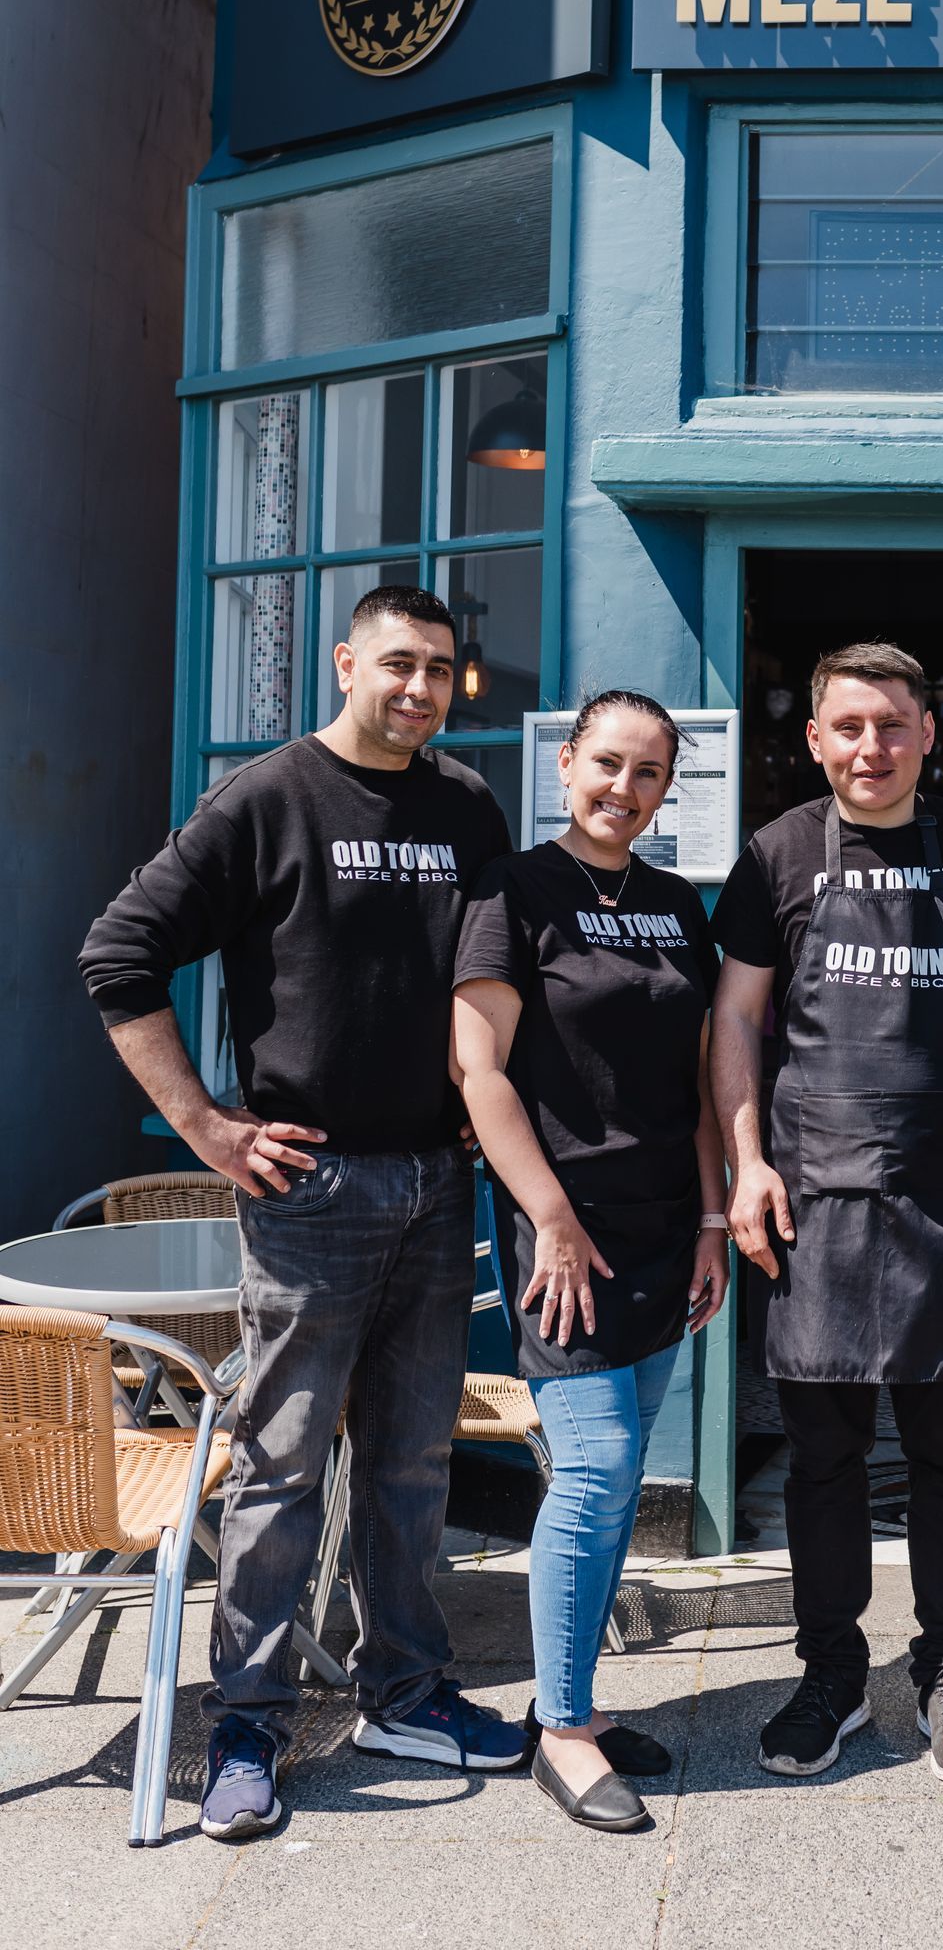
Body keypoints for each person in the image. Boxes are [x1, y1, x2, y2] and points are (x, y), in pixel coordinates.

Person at [76, 586, 531, 1842]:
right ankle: (247, 1722)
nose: (419, 688)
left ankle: (406, 1693)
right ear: (344, 662)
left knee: (411, 1462)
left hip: (442, 1182)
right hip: (312, 1188)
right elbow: (118, 955)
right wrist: (209, 1129)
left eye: (440, 670)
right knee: (279, 1465)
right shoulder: (268, 798)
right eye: (396, 664)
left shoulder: (467, 805)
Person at [710, 641, 943, 1786]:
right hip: (814, 1200)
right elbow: (737, 1019)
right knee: (824, 1459)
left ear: (926, 733)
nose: (872, 747)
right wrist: (746, 1164)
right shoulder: (777, 855)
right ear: (814, 740)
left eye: (893, 726)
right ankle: (830, 1673)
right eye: (849, 727)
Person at [451, 690, 731, 1834]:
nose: (625, 788)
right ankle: (562, 1732)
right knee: (598, 1472)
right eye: (606, 765)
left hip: (669, 1228)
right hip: (564, 1235)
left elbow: (707, 1073)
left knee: (613, 1484)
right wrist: (551, 1218)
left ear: (670, 788)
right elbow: (482, 1072)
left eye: (649, 773)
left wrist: (715, 1221)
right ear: (566, 767)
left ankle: (576, 1703)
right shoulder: (512, 894)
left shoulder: (674, 906)